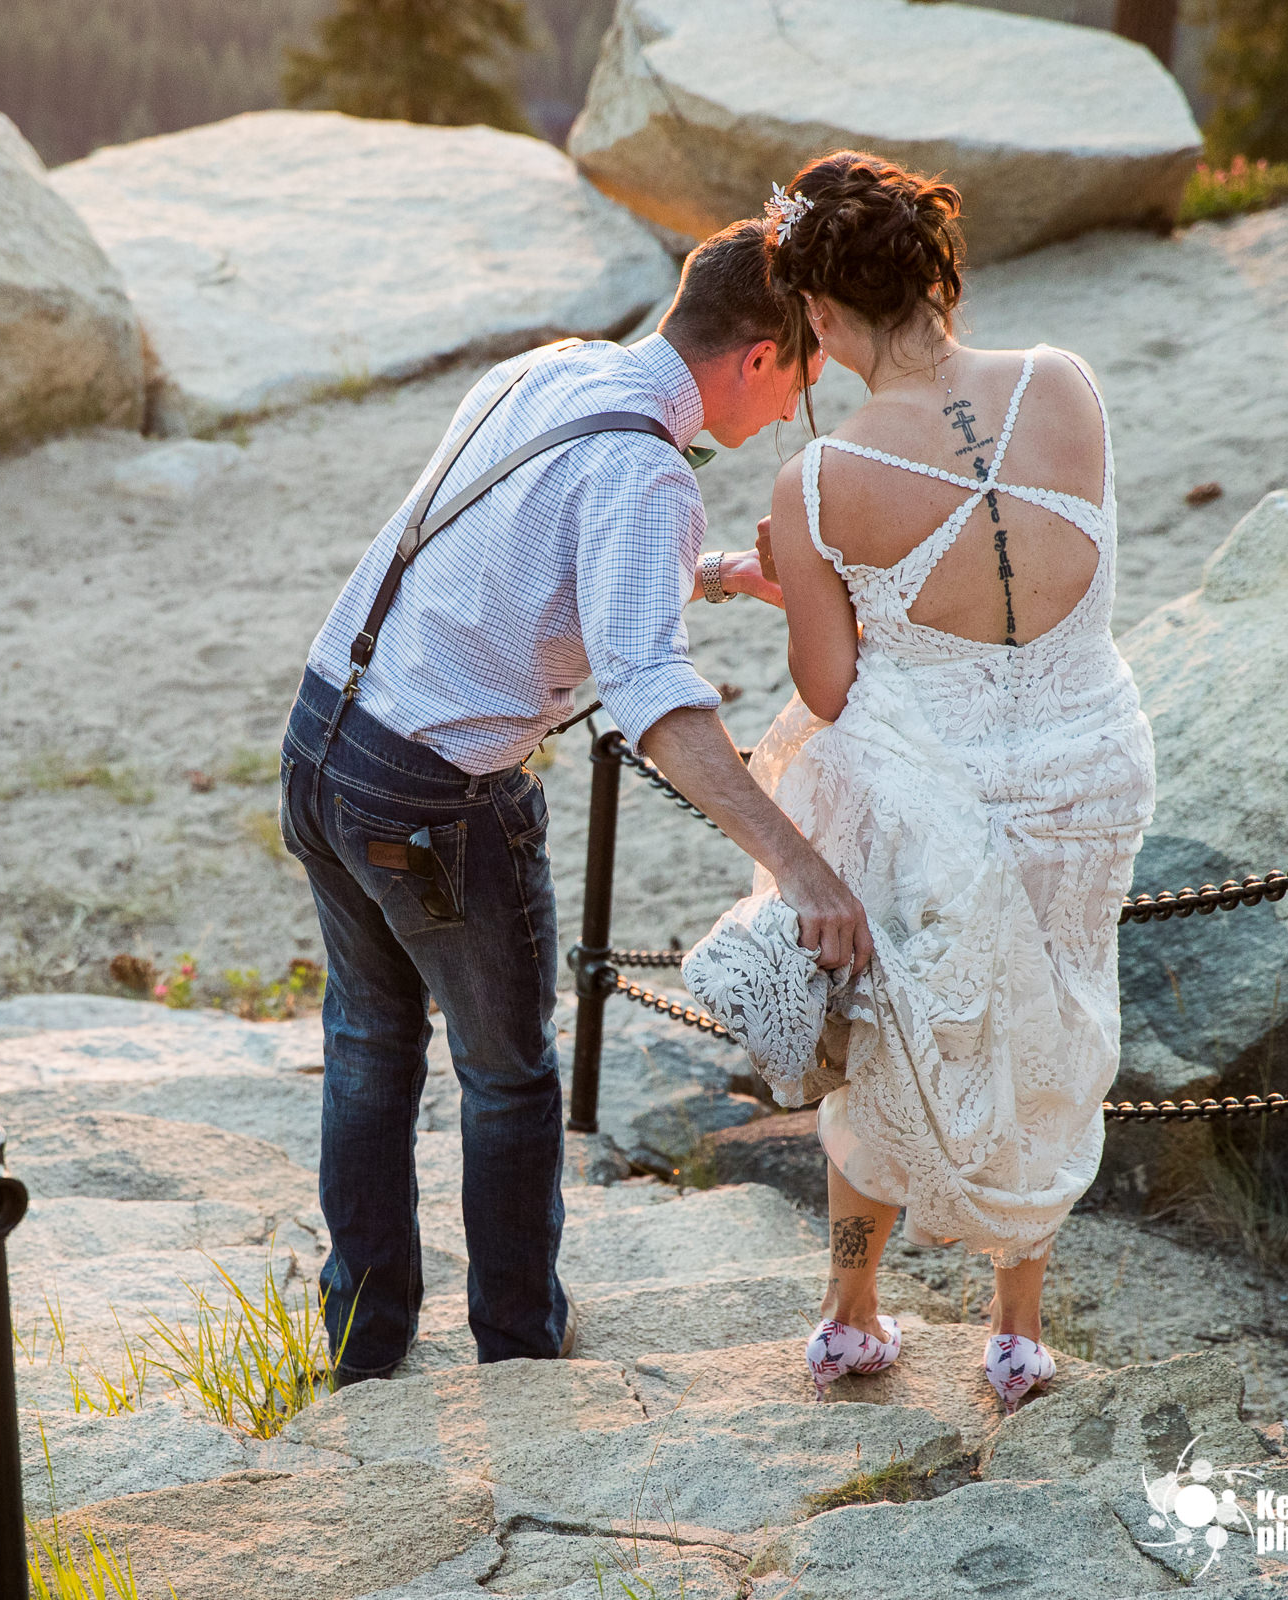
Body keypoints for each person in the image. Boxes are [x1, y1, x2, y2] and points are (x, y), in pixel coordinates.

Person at [279, 220, 873, 1386]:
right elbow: (653, 698)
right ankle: (518, 1350)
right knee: (506, 1076)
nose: (794, 405)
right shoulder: (651, 471)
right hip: (433, 797)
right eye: (803, 379)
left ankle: (362, 1348)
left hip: (321, 735)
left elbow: (509, 544)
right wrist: (803, 868)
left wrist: (705, 575)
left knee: (366, 1046)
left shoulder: (549, 368)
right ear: (758, 356)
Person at [723, 151, 1156, 1413]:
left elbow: (831, 688)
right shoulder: (1063, 382)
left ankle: (852, 1312)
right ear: (932, 270)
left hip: (941, 803)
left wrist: (787, 580)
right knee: (1056, 1022)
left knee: (884, 1042)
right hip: (1087, 772)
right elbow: (1016, 568)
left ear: (820, 314)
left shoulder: (816, 482)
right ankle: (1016, 1333)